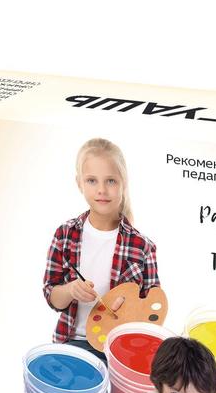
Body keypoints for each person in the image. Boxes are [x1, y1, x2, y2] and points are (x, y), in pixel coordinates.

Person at [42, 138, 160, 359]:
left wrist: (127, 309)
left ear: (124, 183)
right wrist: (71, 290)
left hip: (119, 350)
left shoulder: (143, 247)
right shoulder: (65, 235)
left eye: (111, 181)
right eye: (92, 180)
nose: (102, 190)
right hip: (71, 343)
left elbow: (152, 311)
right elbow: (52, 296)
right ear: (79, 183)